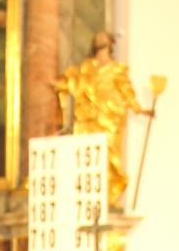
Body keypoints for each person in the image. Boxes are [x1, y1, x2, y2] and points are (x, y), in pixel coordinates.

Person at [53, 32, 149, 209]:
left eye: (103, 37)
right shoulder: (86, 68)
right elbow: (75, 83)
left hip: (110, 118)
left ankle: (109, 195)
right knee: (88, 156)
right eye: (97, 38)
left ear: (110, 43)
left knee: (110, 157)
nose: (99, 39)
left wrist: (138, 109)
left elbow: (126, 91)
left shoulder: (116, 69)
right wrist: (62, 85)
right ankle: (88, 195)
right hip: (89, 118)